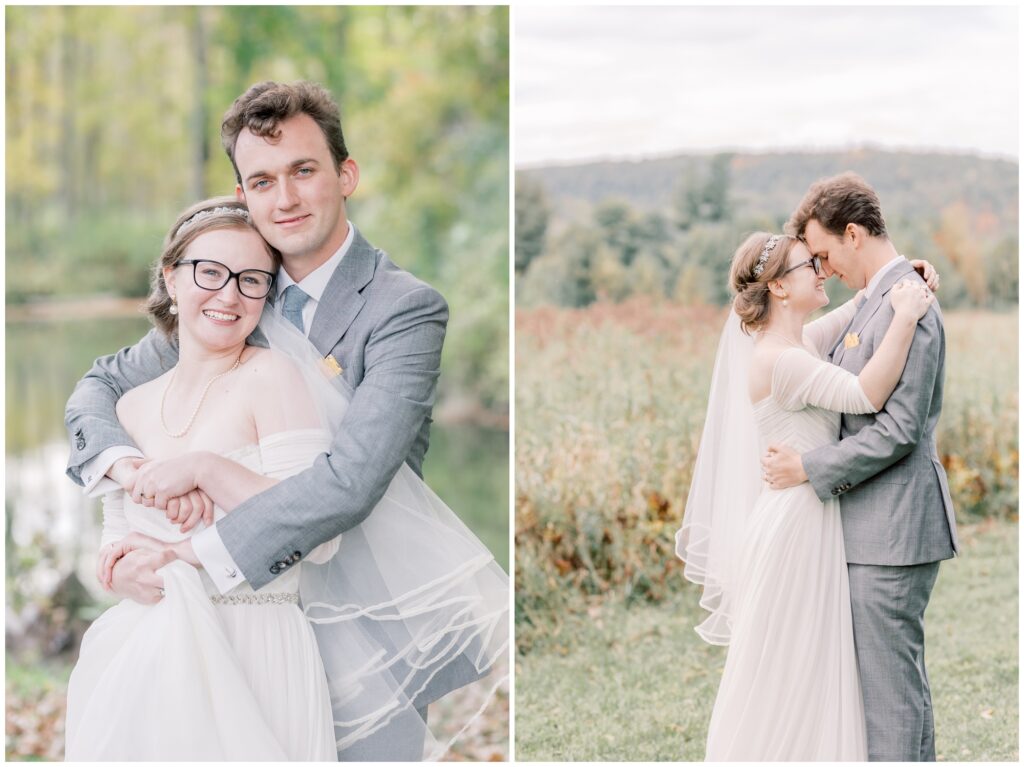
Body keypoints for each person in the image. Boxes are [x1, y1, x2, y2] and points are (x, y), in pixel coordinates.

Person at [64, 81, 508, 760]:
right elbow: (101, 388)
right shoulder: (231, 287)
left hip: (365, 619)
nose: (286, 198)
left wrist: (191, 535)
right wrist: (137, 479)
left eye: (303, 170)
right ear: (243, 194)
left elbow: (349, 483)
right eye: (262, 180)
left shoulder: (403, 309)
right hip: (224, 633)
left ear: (345, 174)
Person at [676, 227, 938, 759]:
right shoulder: (784, 360)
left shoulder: (797, 343)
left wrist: (905, 276)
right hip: (796, 526)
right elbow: (866, 395)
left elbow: (858, 307)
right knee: (792, 666)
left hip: (802, 513)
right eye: (807, 267)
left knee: (806, 665)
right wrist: (907, 317)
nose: (821, 272)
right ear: (776, 288)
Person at [762, 173, 959, 761]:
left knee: (890, 698)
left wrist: (810, 468)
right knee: (891, 691)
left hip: (893, 534)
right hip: (874, 531)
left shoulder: (911, 307)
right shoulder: (884, 296)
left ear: (853, 233)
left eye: (824, 254)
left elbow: (899, 430)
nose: (823, 270)